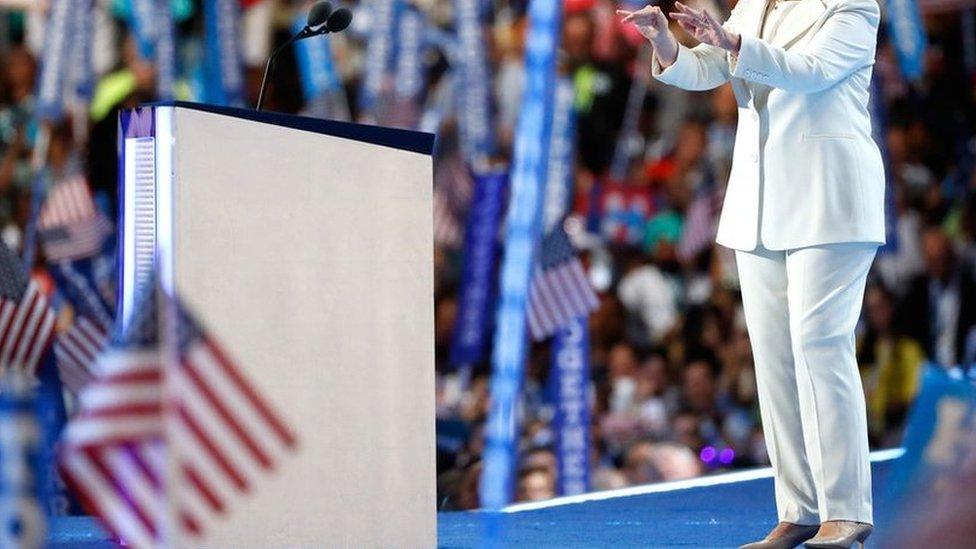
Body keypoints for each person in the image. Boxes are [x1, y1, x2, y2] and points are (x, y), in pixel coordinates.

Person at [619, 0, 884, 547]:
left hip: (829, 202)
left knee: (819, 344)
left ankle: (848, 509)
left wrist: (734, 44)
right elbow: (710, 68)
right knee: (774, 359)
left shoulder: (854, 6)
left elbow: (810, 73)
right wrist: (665, 42)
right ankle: (800, 510)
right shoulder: (755, 4)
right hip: (762, 204)